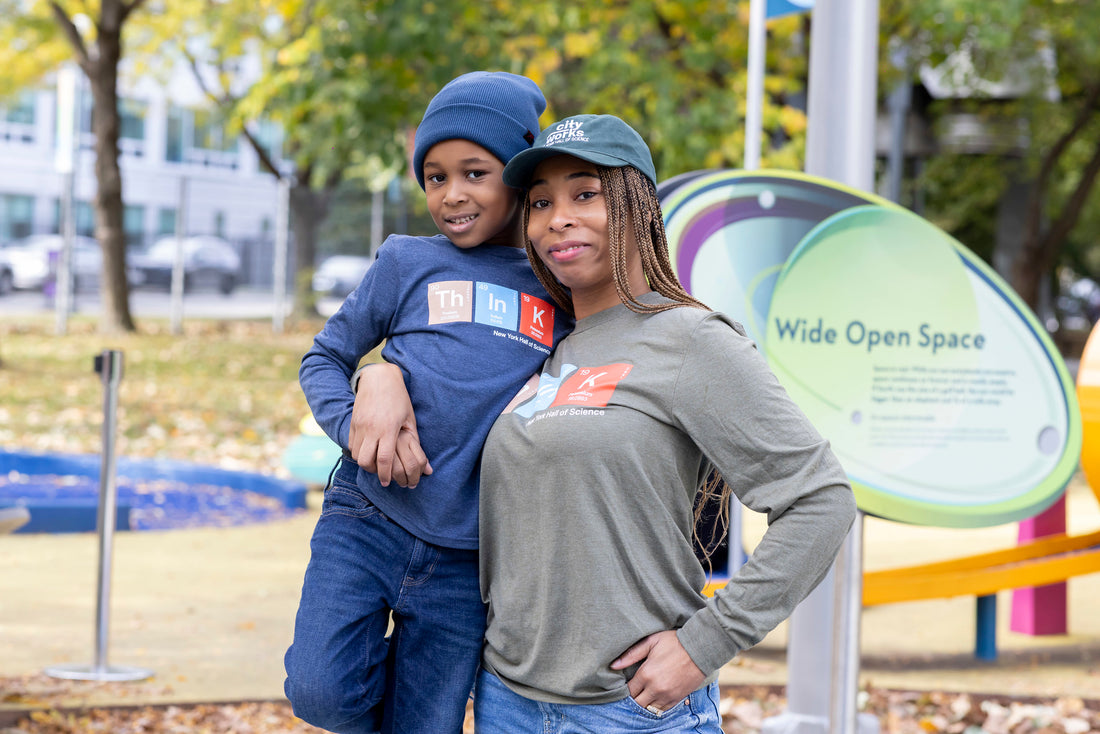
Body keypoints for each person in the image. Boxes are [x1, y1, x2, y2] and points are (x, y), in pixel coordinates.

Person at [354, 114, 857, 731]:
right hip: (507, 702)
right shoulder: (544, 344)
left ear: (637, 205)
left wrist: (707, 643)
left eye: (585, 193)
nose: (558, 217)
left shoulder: (689, 339)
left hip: (628, 710)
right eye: (540, 203)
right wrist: (376, 373)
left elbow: (820, 499)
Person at [283, 71, 572, 734]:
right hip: (368, 516)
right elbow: (324, 357)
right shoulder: (407, 261)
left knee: (428, 723)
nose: (452, 195)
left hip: (470, 559)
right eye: (435, 177)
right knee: (319, 692)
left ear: (520, 178)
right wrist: (361, 410)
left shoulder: (558, 287)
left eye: (475, 172)